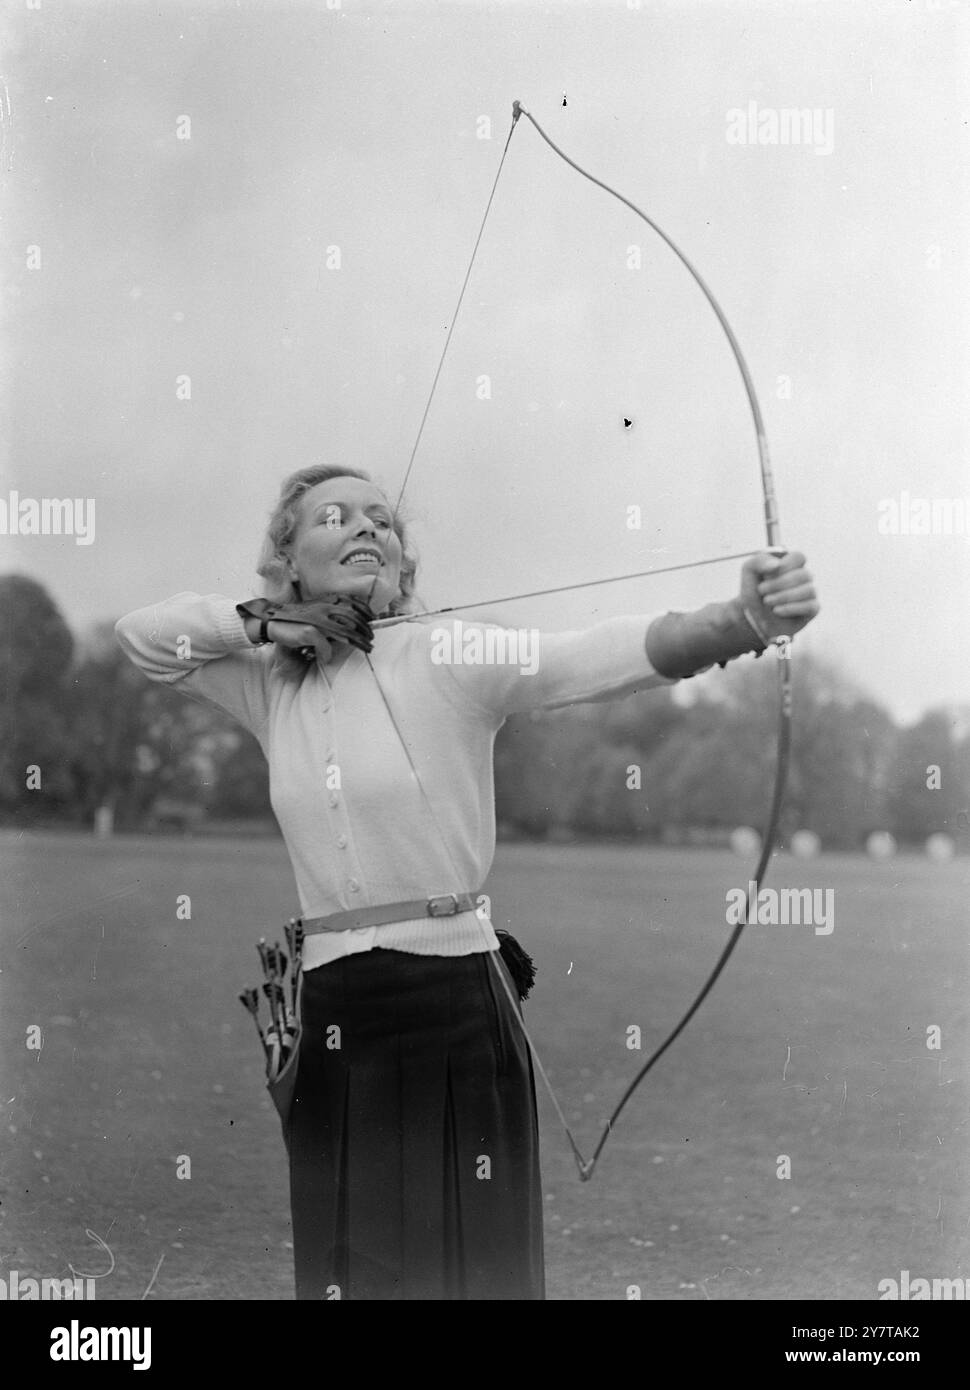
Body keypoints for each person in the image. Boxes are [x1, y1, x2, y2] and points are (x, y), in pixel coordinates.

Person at [115, 462, 819, 1300]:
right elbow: (143, 637)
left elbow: (588, 659)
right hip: (335, 1011)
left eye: (383, 520)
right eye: (334, 517)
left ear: (405, 566)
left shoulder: (446, 652)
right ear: (289, 560)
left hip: (454, 1001)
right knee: (353, 1274)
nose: (367, 527)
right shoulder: (271, 684)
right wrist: (267, 623)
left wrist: (740, 618)